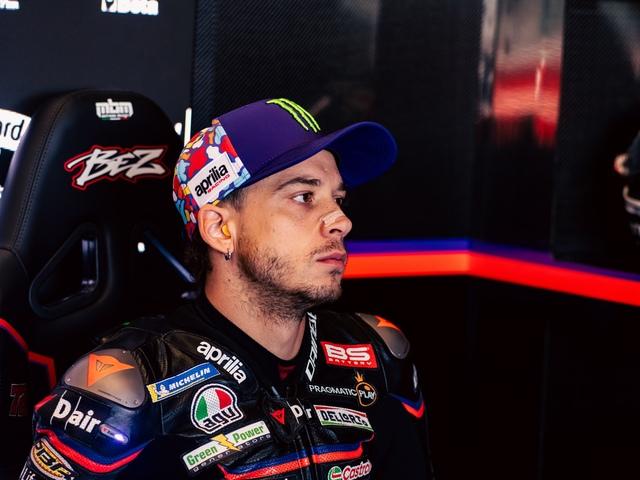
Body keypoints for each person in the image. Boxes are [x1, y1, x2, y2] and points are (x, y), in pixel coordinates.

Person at [21, 98, 433, 479]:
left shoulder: (376, 355)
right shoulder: (128, 389)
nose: (341, 221)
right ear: (220, 228)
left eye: (338, 199)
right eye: (305, 196)